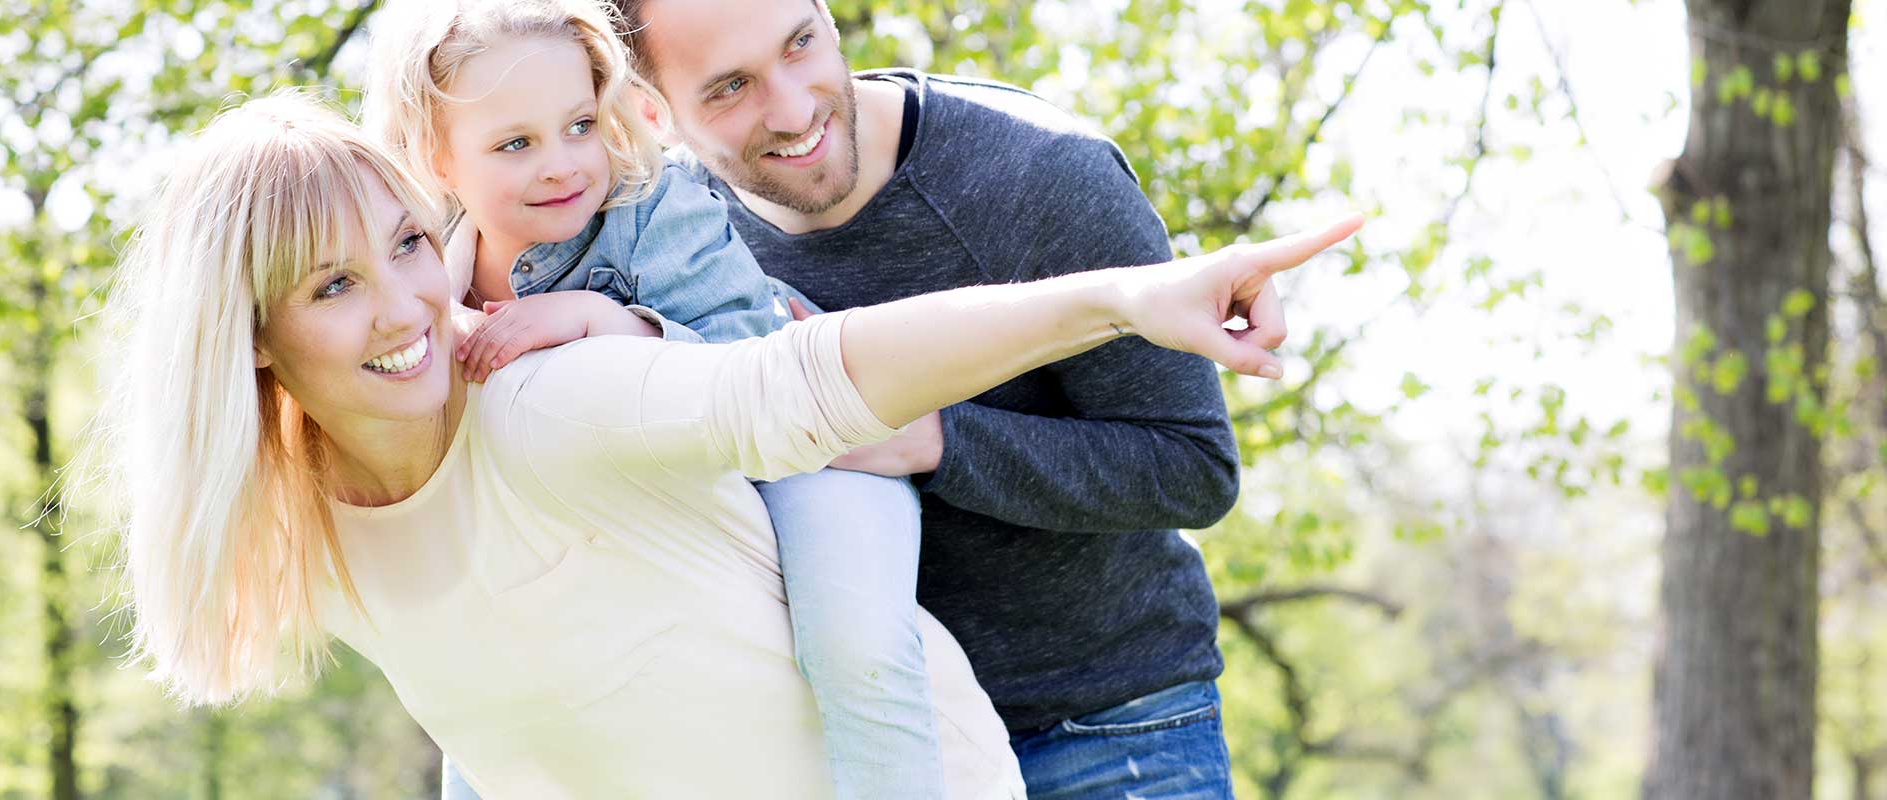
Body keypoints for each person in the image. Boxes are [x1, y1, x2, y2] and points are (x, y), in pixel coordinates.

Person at [88, 89, 1356, 799]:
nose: (409, 304)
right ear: (251, 339)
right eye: (332, 287)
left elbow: (808, 377)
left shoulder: (539, 406)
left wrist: (1116, 299)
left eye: (410, 246)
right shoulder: (300, 528)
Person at [610, 0, 1278, 795]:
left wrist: (932, 439)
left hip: (1106, 723)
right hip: (850, 751)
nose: (791, 110)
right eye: (730, 88)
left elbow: (1193, 468)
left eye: (800, 45)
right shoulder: (661, 234)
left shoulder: (1042, 174)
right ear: (653, 111)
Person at [360, 2, 945, 795]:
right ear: (437, 159)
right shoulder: (432, 277)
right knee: (489, 693)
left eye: (577, 125)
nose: (564, 164)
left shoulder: (651, 208)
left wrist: (610, 323)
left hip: (814, 459)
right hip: (644, 510)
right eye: (514, 144)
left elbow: (757, 372)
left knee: (858, 651)